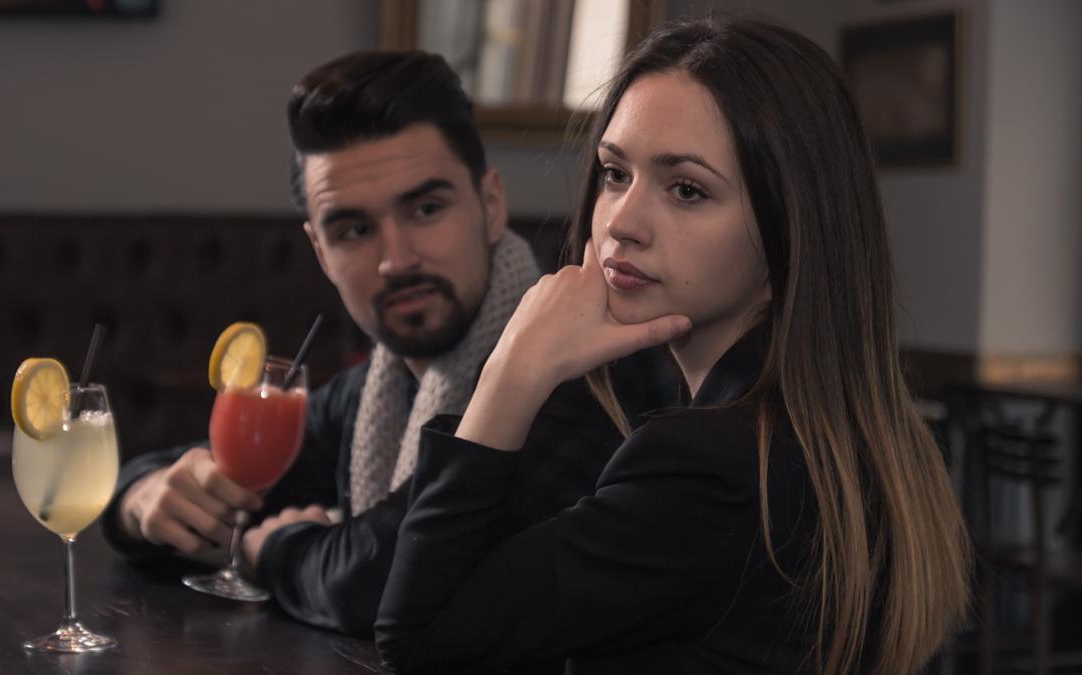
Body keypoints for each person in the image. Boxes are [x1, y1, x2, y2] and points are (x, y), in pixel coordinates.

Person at [375, 16, 971, 675]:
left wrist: (511, 370)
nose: (622, 223)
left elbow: (418, 638)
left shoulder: (712, 466)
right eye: (613, 173)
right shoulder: (835, 437)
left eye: (686, 189)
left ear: (787, 233)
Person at [101, 49, 676, 637]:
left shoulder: (572, 373)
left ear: (491, 204)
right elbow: (212, 479)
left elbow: (387, 575)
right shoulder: (373, 390)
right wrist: (143, 499)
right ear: (321, 252)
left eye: (426, 208)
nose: (397, 259)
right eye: (354, 230)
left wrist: (270, 551)